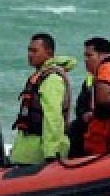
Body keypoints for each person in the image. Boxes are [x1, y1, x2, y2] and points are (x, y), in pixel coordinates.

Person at [9, 33, 77, 164]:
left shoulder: (51, 79)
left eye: (34, 51)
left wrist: (51, 153)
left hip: (39, 154)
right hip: (27, 151)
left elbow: (53, 117)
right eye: (29, 50)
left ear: (49, 53)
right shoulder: (39, 76)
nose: (30, 54)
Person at [68, 36, 110, 157]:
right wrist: (84, 113)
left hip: (106, 136)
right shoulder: (89, 79)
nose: (85, 60)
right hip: (90, 132)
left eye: (89, 56)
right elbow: (81, 105)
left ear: (103, 56)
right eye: (85, 56)